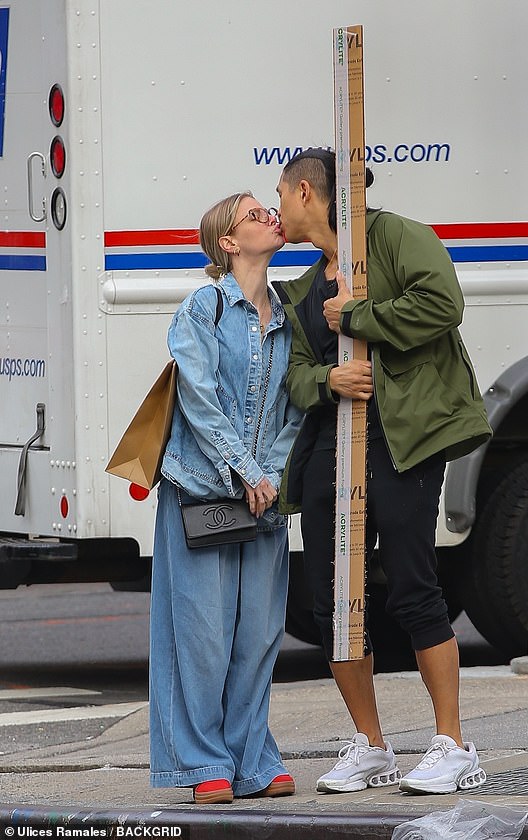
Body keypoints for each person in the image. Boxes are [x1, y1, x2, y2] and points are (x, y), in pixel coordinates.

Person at [273, 148, 492, 795]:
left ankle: (452, 744)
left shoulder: (396, 237)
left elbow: (442, 304)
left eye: (281, 193)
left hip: (404, 441)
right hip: (328, 449)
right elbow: (295, 375)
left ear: (307, 194)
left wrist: (361, 317)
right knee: (331, 602)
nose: (279, 205)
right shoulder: (307, 286)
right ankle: (371, 747)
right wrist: (328, 377)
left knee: (413, 586)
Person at [149, 192, 301, 804]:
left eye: (270, 208)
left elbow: (296, 404)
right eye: (254, 213)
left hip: (263, 495)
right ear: (228, 244)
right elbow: (198, 397)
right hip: (205, 492)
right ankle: (201, 762)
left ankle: (251, 759)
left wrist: (270, 472)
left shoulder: (290, 312)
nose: (270, 215)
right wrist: (245, 470)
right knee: (202, 634)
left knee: (259, 635)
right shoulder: (202, 309)